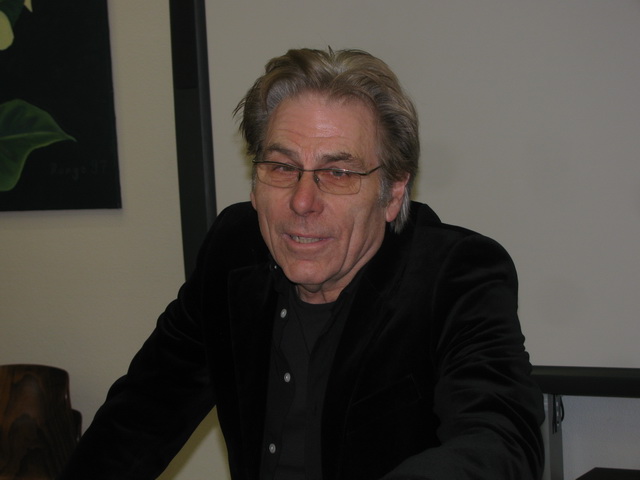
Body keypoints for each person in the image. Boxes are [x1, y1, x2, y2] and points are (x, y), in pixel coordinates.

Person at [58, 48, 544, 480]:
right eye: (282, 167)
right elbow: (143, 413)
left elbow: (499, 442)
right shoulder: (233, 252)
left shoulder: (455, 275)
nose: (302, 201)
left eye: (338, 172)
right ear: (255, 183)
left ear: (394, 192)